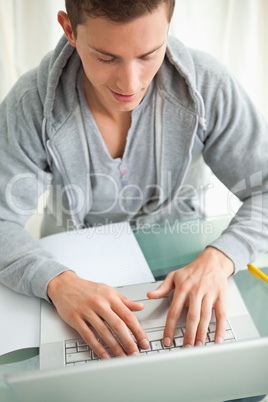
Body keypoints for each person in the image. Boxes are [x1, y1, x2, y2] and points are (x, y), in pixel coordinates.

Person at [0, 2, 267, 399]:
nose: (131, 81)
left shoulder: (208, 87)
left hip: (184, 261)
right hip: (72, 275)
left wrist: (220, 258)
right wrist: (57, 282)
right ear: (69, 31)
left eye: (149, 55)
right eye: (106, 57)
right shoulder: (32, 104)